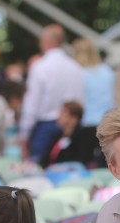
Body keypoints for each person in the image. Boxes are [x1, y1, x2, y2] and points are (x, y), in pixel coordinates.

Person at [18, 25, 84, 163]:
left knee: (37, 172)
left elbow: (32, 105)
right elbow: (80, 101)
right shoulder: (75, 67)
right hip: (72, 126)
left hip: (45, 128)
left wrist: (24, 136)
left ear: (46, 41)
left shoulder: (40, 67)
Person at [73, 37, 114, 166]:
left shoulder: (79, 73)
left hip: (87, 122)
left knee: (85, 163)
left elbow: (77, 100)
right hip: (107, 122)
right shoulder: (107, 70)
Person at [38, 101, 84, 169]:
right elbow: (45, 159)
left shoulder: (81, 139)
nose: (59, 116)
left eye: (63, 113)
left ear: (74, 119)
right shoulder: (58, 136)